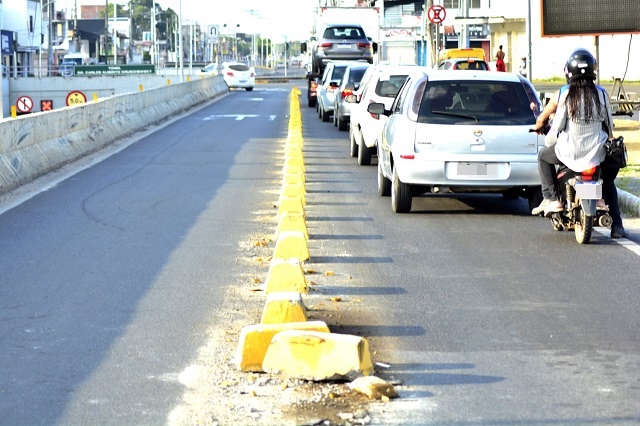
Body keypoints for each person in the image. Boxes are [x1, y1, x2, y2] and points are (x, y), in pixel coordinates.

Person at [532, 49, 628, 238]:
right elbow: (609, 127)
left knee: (543, 156)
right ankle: (617, 225)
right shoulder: (601, 94)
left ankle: (552, 199)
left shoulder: (565, 94)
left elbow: (556, 127)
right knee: (608, 182)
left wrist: (549, 140)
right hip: (597, 154)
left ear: (569, 72)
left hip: (568, 153)